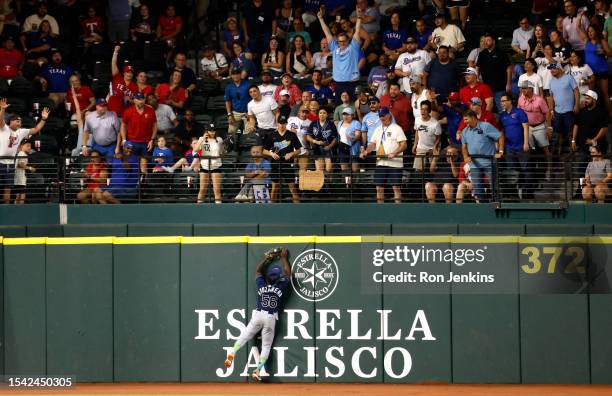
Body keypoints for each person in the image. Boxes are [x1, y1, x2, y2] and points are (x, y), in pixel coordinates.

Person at [223, 248, 291, 381]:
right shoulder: (280, 286)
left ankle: (232, 352)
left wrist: (267, 258)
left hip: (258, 315)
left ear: (268, 278)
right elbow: (288, 273)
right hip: (271, 318)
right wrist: (284, 257)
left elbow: (258, 271)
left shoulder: (261, 284)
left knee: (245, 336)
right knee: (266, 346)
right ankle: (257, 370)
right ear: (278, 278)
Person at [0, 98, 48, 203]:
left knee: (7, 187)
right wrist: (2, 109)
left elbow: (36, 130)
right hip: (0, 161)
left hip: (11, 163)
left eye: (20, 121)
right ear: (10, 122)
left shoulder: (21, 131)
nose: (19, 123)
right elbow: (0, 120)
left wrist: (43, 119)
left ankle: (5, 209)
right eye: (17, 121)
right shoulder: (4, 128)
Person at [360, 106, 407, 203]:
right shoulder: (377, 129)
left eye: (384, 116)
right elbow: (372, 144)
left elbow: (404, 145)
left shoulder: (397, 128)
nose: (382, 118)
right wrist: (365, 151)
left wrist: (395, 153)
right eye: (380, 116)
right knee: (379, 188)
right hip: (381, 163)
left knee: (396, 188)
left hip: (395, 163)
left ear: (389, 116)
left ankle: (398, 209)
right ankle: (380, 209)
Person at [318, 6, 363, 101]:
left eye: (344, 41)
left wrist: (359, 18)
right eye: (340, 41)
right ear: (337, 41)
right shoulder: (334, 48)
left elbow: (357, 31)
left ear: (348, 40)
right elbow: (327, 32)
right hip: (339, 83)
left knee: (354, 107)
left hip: (352, 82)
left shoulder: (353, 47)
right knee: (339, 107)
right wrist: (321, 18)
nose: (342, 43)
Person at [461, 110, 502, 202]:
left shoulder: (486, 126)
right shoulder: (465, 131)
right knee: (478, 189)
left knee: (494, 187)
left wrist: (501, 151)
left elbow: (500, 136)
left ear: (473, 118)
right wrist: (465, 156)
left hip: (489, 162)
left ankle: (498, 206)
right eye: (464, 120)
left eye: (466, 119)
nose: (464, 122)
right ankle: (484, 207)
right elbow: (464, 146)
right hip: (474, 164)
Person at [517, 80, 552, 179]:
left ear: (530, 88)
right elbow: (519, 112)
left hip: (539, 126)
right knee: (529, 150)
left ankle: (549, 170)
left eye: (524, 88)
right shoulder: (520, 99)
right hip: (527, 128)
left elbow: (547, 113)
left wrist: (549, 127)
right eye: (521, 88)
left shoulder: (540, 99)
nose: (522, 90)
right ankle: (532, 172)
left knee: (545, 149)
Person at [499, 94, 532, 198]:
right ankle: (514, 195)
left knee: (526, 170)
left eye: (504, 101)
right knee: (512, 171)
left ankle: (528, 193)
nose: (502, 103)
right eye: (501, 101)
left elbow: (526, 127)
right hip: (509, 147)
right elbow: (502, 131)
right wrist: (502, 147)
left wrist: (526, 143)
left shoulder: (519, 112)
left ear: (510, 101)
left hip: (521, 146)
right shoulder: (502, 115)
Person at [263, 115, 301, 202]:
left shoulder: (292, 135)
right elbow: (264, 151)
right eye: (280, 123)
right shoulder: (271, 135)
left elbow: (299, 150)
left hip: (287, 164)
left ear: (286, 124)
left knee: (292, 188)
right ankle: (272, 209)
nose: (282, 125)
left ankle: (298, 208)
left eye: (284, 123)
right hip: (275, 164)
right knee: (274, 188)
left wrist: (292, 153)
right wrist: (271, 154)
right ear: (277, 123)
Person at [119, 92, 157, 174]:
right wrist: (124, 140)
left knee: (144, 167)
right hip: (132, 142)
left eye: (142, 99)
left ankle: (143, 186)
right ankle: (133, 185)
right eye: (138, 99)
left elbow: (154, 126)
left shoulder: (150, 110)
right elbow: (123, 126)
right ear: (134, 100)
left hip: (146, 143)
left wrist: (152, 140)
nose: (141, 101)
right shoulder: (128, 111)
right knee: (132, 166)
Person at [547, 62, 579, 151]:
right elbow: (551, 97)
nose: (552, 71)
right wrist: (552, 110)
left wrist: (576, 105)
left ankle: (573, 151)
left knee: (570, 133)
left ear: (559, 69)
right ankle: (559, 154)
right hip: (557, 111)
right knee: (557, 134)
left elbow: (576, 91)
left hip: (569, 111)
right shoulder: (551, 81)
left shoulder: (569, 77)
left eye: (554, 68)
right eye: (550, 69)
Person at [581, 24, 612, 114]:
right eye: (588, 31)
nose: (590, 33)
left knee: (604, 94)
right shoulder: (587, 41)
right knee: (591, 94)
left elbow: (610, 53)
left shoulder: (601, 41)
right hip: (590, 73)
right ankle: (593, 114)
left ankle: (610, 114)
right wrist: (579, 17)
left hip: (602, 71)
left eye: (592, 31)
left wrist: (604, 52)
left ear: (596, 31)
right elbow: (578, 27)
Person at [476, 34, 512, 112]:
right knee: (486, 110)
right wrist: (477, 78)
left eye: (488, 40)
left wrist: (508, 84)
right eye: (485, 41)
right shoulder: (482, 54)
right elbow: (477, 67)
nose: (486, 42)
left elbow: (509, 68)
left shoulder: (501, 53)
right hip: (486, 88)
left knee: (502, 110)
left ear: (494, 42)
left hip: (499, 87)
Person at [572, 90, 609, 160]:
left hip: (598, 148)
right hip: (583, 147)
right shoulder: (582, 111)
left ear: (594, 100)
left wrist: (593, 140)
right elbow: (576, 125)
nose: (585, 100)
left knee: (598, 169)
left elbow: (604, 128)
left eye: (588, 99)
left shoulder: (601, 112)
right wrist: (573, 140)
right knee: (581, 169)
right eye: (585, 98)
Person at [195, 124, 224, 204]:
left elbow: (222, 153)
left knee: (217, 190)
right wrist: (202, 139)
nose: (212, 132)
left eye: (213, 130)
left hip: (216, 166)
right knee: (202, 189)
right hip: (204, 166)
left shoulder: (219, 139)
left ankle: (218, 210)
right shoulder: (201, 138)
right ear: (207, 131)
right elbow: (195, 149)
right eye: (210, 130)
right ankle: (198, 209)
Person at [412, 100, 441, 172]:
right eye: (422, 109)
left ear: (429, 111)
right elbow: (417, 132)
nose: (423, 111)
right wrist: (415, 145)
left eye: (425, 110)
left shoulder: (435, 123)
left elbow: (438, 137)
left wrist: (435, 147)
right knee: (418, 170)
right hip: (421, 147)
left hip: (432, 149)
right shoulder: (417, 120)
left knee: (432, 170)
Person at [109, 46, 137, 118]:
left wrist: (130, 100)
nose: (129, 74)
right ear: (124, 73)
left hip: (124, 114)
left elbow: (136, 101)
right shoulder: (118, 78)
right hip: (111, 111)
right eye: (127, 72)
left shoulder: (134, 86)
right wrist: (115, 52)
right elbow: (113, 64)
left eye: (131, 73)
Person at [307, 106, 338, 173]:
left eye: (324, 113)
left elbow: (335, 137)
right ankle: (322, 183)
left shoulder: (331, 124)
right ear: (318, 114)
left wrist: (329, 146)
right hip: (317, 148)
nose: (322, 114)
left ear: (327, 115)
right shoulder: (313, 123)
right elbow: (308, 136)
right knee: (319, 170)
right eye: (320, 113)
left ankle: (329, 183)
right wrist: (316, 141)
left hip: (329, 149)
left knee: (329, 170)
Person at [225, 68, 251, 136]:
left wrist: (250, 112)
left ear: (240, 74)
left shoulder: (248, 84)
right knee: (230, 133)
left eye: (237, 74)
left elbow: (253, 99)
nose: (235, 76)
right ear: (231, 75)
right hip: (235, 113)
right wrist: (229, 115)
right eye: (233, 74)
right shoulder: (229, 86)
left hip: (247, 112)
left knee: (249, 133)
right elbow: (227, 101)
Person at [336, 107, 361, 173]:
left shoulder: (356, 123)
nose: (345, 116)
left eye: (347, 114)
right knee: (344, 169)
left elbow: (358, 135)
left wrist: (353, 139)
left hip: (353, 147)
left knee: (355, 169)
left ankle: (355, 182)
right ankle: (347, 183)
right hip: (342, 147)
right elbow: (339, 135)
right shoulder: (340, 123)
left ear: (352, 115)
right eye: (344, 114)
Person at [287, 105, 312, 171]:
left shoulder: (310, 123)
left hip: (303, 149)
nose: (304, 114)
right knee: (290, 170)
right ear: (299, 112)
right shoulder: (291, 119)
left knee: (303, 170)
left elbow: (310, 137)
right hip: (290, 149)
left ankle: (301, 181)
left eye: (306, 112)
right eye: (303, 112)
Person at [13, 139, 34, 204]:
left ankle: (17, 210)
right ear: (22, 146)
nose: (29, 148)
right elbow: (20, 165)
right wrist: (30, 168)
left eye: (30, 146)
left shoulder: (21, 153)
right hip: (20, 178)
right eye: (28, 146)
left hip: (19, 178)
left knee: (19, 196)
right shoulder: (22, 153)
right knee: (21, 197)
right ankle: (19, 210)